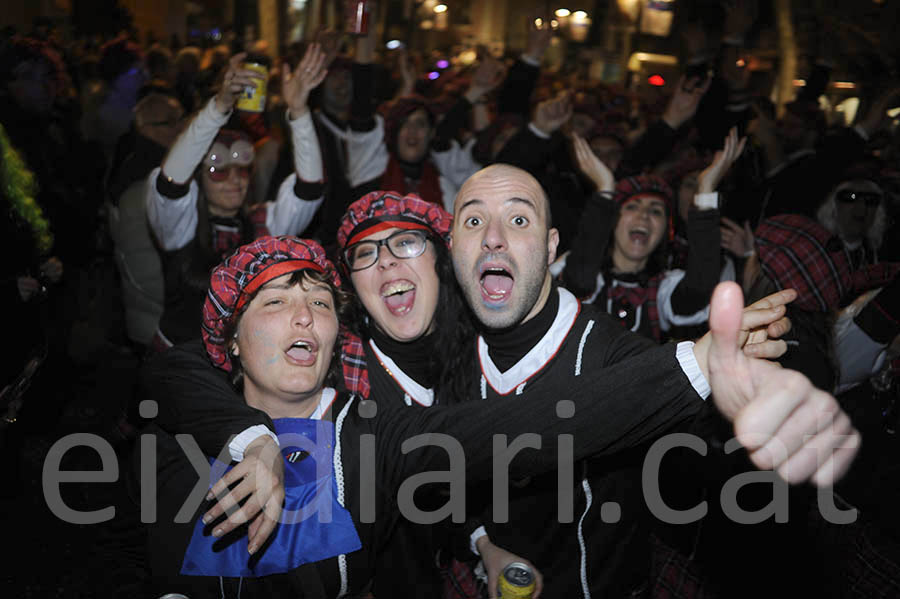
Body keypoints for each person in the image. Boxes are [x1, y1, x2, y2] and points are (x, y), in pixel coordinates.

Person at [136, 232, 856, 598]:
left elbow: (535, 426)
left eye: (321, 302)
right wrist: (251, 436)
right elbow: (164, 371)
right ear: (229, 337)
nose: (306, 314)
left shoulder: (366, 442)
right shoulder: (183, 421)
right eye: (277, 302)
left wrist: (694, 364)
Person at [145, 46, 328, 348]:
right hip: (180, 364)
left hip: (243, 366)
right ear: (199, 176)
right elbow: (170, 183)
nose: (233, 178)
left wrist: (298, 111)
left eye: (242, 169)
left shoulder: (262, 223)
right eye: (218, 169)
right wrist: (219, 106)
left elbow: (310, 190)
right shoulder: (180, 225)